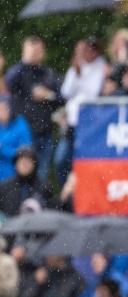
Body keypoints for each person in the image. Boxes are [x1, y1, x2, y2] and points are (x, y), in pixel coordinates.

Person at [4, 37, 62, 183]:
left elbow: (62, 97)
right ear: (24, 51)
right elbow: (9, 81)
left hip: (45, 133)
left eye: (39, 49)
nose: (36, 53)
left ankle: (36, 204)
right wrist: (25, 61)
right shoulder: (19, 72)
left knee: (41, 177)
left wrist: (49, 95)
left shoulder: (49, 73)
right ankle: (20, 204)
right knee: (21, 175)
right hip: (24, 135)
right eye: (32, 49)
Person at [56, 37, 105, 186]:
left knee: (84, 162)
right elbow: (65, 92)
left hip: (89, 124)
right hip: (71, 123)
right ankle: (66, 195)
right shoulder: (76, 68)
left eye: (89, 49)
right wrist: (76, 72)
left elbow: (93, 92)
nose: (86, 53)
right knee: (61, 160)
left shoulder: (101, 67)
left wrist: (80, 81)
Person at [0, 146, 51, 216]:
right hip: (10, 225)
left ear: (35, 164)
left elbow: (52, 210)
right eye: (21, 161)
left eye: (28, 161)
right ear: (16, 163)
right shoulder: (4, 187)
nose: (25, 164)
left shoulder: (44, 187)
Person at [0, 96, 31, 182]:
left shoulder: (21, 125)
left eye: (3, 109)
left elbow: (26, 153)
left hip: (15, 176)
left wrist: (3, 149)